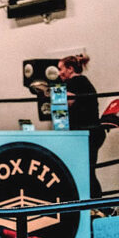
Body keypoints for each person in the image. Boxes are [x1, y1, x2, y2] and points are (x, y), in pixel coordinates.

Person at [33, 53, 105, 197]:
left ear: (70, 69)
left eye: (61, 69)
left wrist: (48, 92)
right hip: (87, 132)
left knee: (86, 170)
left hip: (87, 133)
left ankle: (95, 204)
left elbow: (68, 101)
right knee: (85, 169)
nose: (59, 74)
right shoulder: (81, 82)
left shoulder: (77, 82)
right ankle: (93, 203)